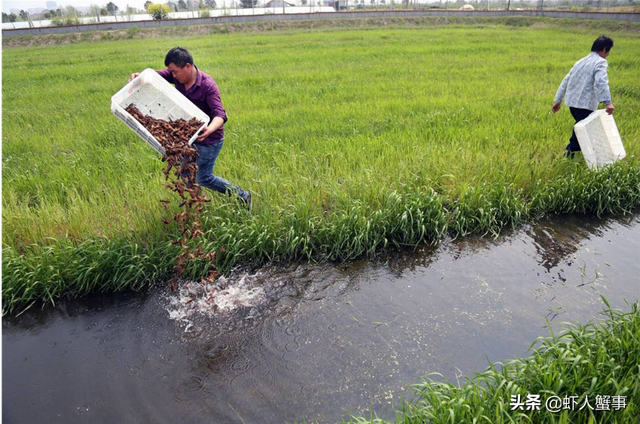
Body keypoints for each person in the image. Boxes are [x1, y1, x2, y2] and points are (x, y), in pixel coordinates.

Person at [129, 47, 252, 210]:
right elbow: (153, 75)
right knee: (186, 174)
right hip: (188, 136)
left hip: (208, 140)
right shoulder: (178, 77)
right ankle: (198, 206)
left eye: (175, 72)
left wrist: (208, 129)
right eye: (171, 72)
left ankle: (243, 197)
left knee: (203, 177)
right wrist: (139, 76)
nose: (172, 76)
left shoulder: (208, 85)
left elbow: (220, 115)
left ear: (188, 66)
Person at [552, 35, 615, 158]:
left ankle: (588, 156)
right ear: (604, 49)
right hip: (585, 105)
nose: (608, 54)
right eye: (608, 51)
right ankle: (570, 155)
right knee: (584, 130)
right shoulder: (600, 62)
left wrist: (558, 100)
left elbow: (566, 80)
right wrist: (608, 102)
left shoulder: (580, 61)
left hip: (573, 104)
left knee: (584, 129)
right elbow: (601, 82)